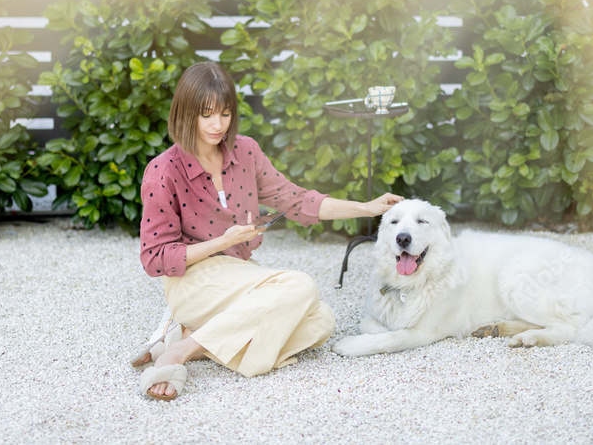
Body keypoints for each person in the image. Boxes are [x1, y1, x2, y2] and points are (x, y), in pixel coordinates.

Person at [135, 62, 403, 400]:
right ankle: (181, 352)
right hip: (193, 281)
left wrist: (367, 208)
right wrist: (223, 241)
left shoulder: (245, 151)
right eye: (207, 115)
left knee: (322, 320)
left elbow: (299, 200)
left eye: (226, 114)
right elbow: (155, 258)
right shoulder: (163, 170)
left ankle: (196, 338)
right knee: (300, 285)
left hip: (240, 275)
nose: (218, 125)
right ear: (186, 113)